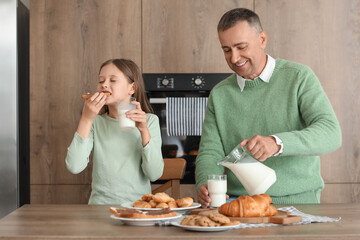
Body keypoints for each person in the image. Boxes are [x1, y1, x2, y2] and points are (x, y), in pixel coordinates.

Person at [196, 8, 341, 207]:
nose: (234, 58)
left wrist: (277, 143)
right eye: (227, 50)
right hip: (240, 205)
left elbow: (331, 134)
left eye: (241, 47)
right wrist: (205, 182)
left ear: (262, 40)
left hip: (299, 203)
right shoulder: (219, 94)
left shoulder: (298, 77)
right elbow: (210, 151)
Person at [65, 58, 164, 205]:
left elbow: (154, 174)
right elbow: (74, 166)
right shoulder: (95, 122)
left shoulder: (149, 121)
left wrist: (143, 131)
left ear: (132, 89)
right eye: (101, 81)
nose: (104, 84)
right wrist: (86, 119)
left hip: (138, 208)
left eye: (113, 80)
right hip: (99, 209)